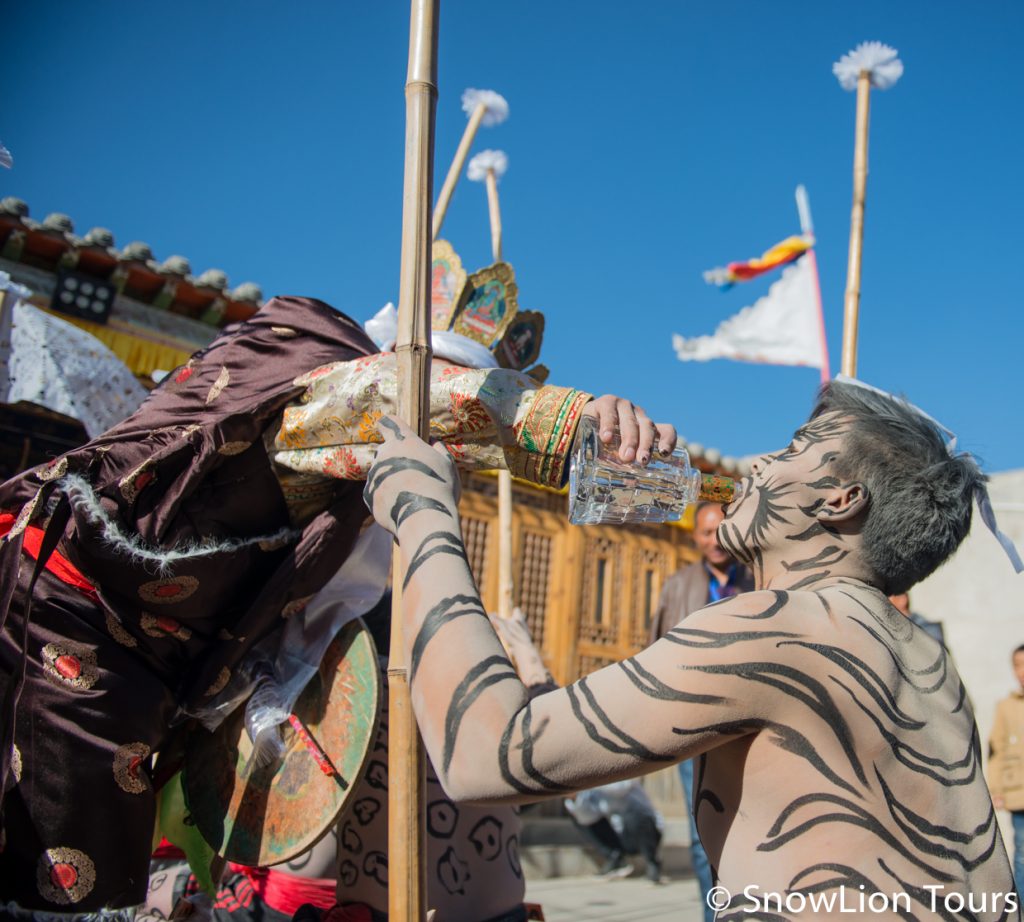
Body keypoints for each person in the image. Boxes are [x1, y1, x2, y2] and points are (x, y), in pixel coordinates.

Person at [0, 295, 673, 917]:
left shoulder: (348, 495)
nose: (448, 461)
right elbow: (417, 401)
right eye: (448, 444)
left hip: (155, 653)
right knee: (67, 871)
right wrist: (581, 417)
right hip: (72, 611)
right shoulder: (330, 385)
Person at [364, 380, 1020, 920]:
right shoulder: (927, 660)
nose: (757, 462)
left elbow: (484, 756)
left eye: (794, 448)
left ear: (839, 499)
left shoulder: (774, 626)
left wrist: (425, 519)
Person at [649, 501, 752, 917]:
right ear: (695, 537)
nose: (713, 541)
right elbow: (656, 649)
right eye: (706, 533)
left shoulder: (756, 583)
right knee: (699, 836)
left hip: (745, 726)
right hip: (692, 724)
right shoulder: (678, 586)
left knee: (746, 828)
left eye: (719, 532)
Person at [988, 644, 1024, 900]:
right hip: (1019, 791)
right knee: (1022, 852)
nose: (1021, 671)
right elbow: (996, 750)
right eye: (1017, 665)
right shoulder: (1006, 706)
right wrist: (996, 789)